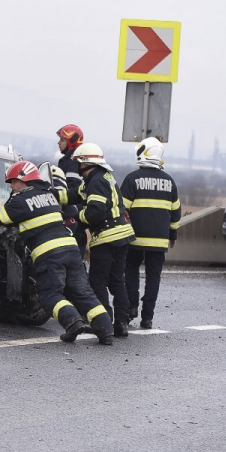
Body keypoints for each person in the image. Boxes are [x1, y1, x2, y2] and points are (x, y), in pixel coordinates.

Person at [0, 161, 114, 345]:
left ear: (26, 180)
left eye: (14, 182)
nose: (12, 186)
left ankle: (72, 322)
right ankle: (106, 331)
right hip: (70, 249)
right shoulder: (48, 195)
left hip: (49, 253)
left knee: (50, 295)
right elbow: (27, 216)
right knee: (83, 293)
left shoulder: (19, 201)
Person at [72, 143, 136, 337]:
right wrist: (53, 196)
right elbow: (75, 194)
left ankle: (104, 322)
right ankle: (121, 323)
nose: (76, 166)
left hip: (107, 238)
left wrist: (78, 217)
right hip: (122, 236)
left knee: (98, 281)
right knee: (117, 280)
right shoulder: (103, 177)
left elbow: (95, 212)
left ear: (85, 162)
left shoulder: (96, 182)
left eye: (78, 162)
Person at [121, 137, 181, 330]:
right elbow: (176, 213)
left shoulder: (132, 179)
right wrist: (173, 236)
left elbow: (122, 210)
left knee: (130, 269)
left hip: (134, 239)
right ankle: (147, 318)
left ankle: (131, 307)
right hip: (159, 241)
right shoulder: (170, 182)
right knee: (153, 277)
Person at [56, 124, 88, 256]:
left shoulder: (72, 162)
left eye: (62, 140)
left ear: (71, 142)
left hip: (73, 218)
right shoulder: (69, 160)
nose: (58, 142)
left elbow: (72, 190)